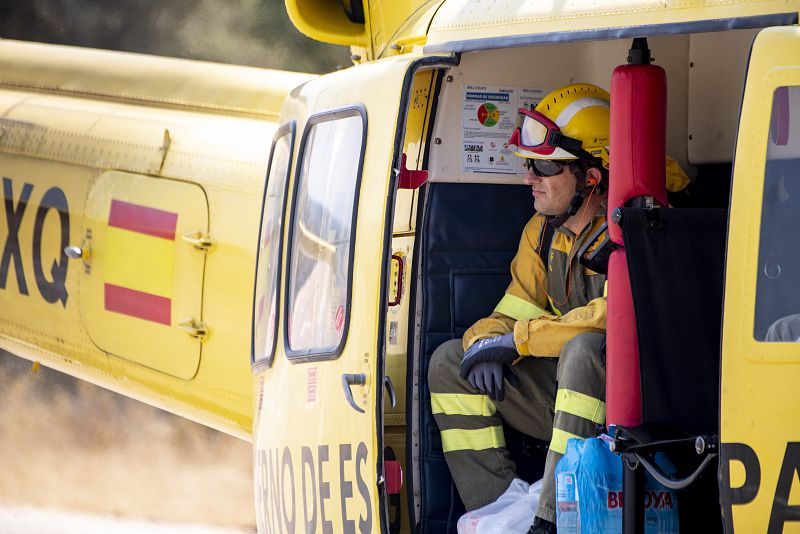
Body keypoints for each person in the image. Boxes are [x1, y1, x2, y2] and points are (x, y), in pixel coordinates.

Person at [428, 83, 612, 534]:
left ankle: (550, 520)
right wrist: (486, 342)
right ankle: (500, 515)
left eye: (545, 166)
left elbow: (613, 317)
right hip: (562, 395)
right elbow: (512, 309)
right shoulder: (542, 231)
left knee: (584, 350)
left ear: (592, 177)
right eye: (530, 164)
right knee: (450, 361)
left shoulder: (631, 226)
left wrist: (519, 341)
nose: (530, 178)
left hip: (620, 398)